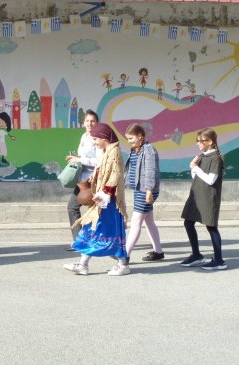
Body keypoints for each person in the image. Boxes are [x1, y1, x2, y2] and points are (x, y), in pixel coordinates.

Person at [63, 123, 129, 276]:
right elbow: (104, 171)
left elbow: (116, 175)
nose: (94, 142)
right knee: (92, 229)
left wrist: (106, 192)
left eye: (95, 139)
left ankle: (123, 265)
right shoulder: (108, 151)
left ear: (104, 138)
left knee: (106, 231)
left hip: (111, 202)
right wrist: (93, 178)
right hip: (104, 200)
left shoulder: (114, 153)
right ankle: (83, 265)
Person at [180, 128, 227, 270]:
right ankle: (196, 255)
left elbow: (211, 180)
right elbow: (196, 177)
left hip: (208, 197)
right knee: (188, 222)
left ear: (210, 142)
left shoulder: (215, 158)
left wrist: (195, 167)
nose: (198, 143)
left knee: (211, 227)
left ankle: (219, 260)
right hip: (197, 195)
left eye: (201, 141)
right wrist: (193, 167)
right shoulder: (202, 156)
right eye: (197, 140)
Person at [123, 123, 164, 263]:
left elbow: (150, 171)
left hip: (146, 190)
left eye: (131, 138)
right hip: (139, 189)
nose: (129, 141)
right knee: (149, 221)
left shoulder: (148, 150)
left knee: (136, 221)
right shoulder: (136, 149)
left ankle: (125, 255)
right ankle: (158, 252)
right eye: (127, 139)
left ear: (140, 136)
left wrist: (149, 191)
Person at [65, 110, 102, 250]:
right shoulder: (84, 136)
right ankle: (79, 241)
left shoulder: (98, 138)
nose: (90, 123)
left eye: (92, 121)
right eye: (87, 121)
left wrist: (80, 159)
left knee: (96, 212)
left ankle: (102, 240)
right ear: (83, 122)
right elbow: (82, 157)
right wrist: (75, 158)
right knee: (72, 207)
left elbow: (99, 161)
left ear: (97, 123)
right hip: (82, 180)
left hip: (93, 180)